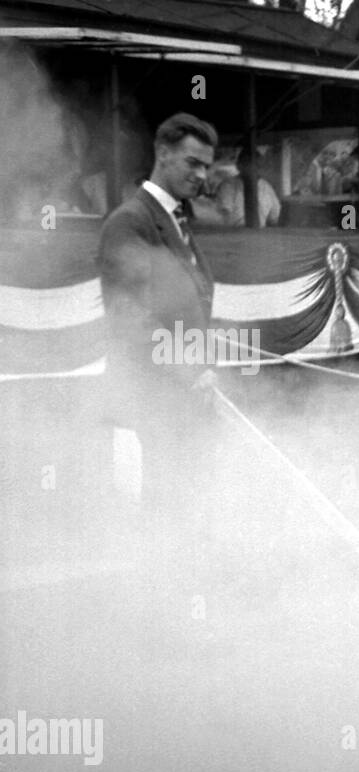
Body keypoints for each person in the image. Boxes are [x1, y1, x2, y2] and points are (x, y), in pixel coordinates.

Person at [96, 111, 222, 586]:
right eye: (192, 162)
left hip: (184, 398)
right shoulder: (131, 222)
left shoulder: (176, 220)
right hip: (153, 396)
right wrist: (189, 371)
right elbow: (131, 317)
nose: (202, 175)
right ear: (162, 153)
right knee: (166, 510)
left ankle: (186, 603)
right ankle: (160, 619)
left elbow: (188, 306)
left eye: (208, 166)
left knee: (189, 506)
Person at [214, 148, 281, 228]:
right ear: (239, 166)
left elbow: (275, 217)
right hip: (234, 234)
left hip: (261, 235)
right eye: (249, 164)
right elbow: (225, 216)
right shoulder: (228, 185)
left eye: (258, 165)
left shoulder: (266, 187)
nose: (254, 168)